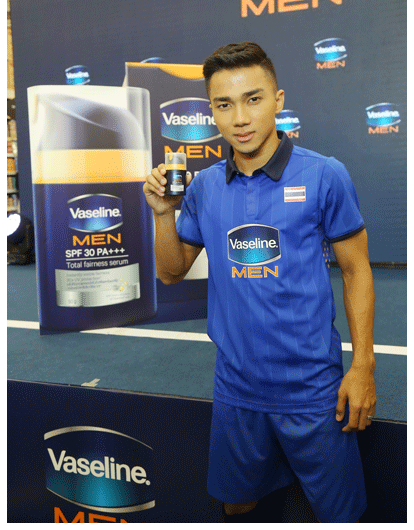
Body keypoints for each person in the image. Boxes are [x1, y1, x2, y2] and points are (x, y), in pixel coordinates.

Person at [143, 42, 376, 523]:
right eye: (224, 104)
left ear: (278, 100)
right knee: (238, 505)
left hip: (314, 389)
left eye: (253, 99)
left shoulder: (325, 175)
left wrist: (363, 366)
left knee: (341, 516)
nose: (240, 118)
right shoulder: (204, 187)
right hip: (236, 388)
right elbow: (170, 270)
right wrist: (163, 213)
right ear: (212, 112)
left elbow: (357, 270)